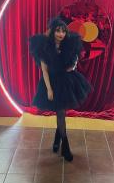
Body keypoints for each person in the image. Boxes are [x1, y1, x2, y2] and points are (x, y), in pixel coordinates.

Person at [29, 16, 93, 161]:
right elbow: (44, 71)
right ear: (52, 32)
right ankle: (62, 142)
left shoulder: (69, 45)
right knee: (60, 113)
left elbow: (74, 60)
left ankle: (62, 142)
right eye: (58, 31)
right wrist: (49, 90)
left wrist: (73, 65)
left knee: (61, 113)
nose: (61, 34)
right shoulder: (44, 47)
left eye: (63, 31)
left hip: (67, 81)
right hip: (51, 82)